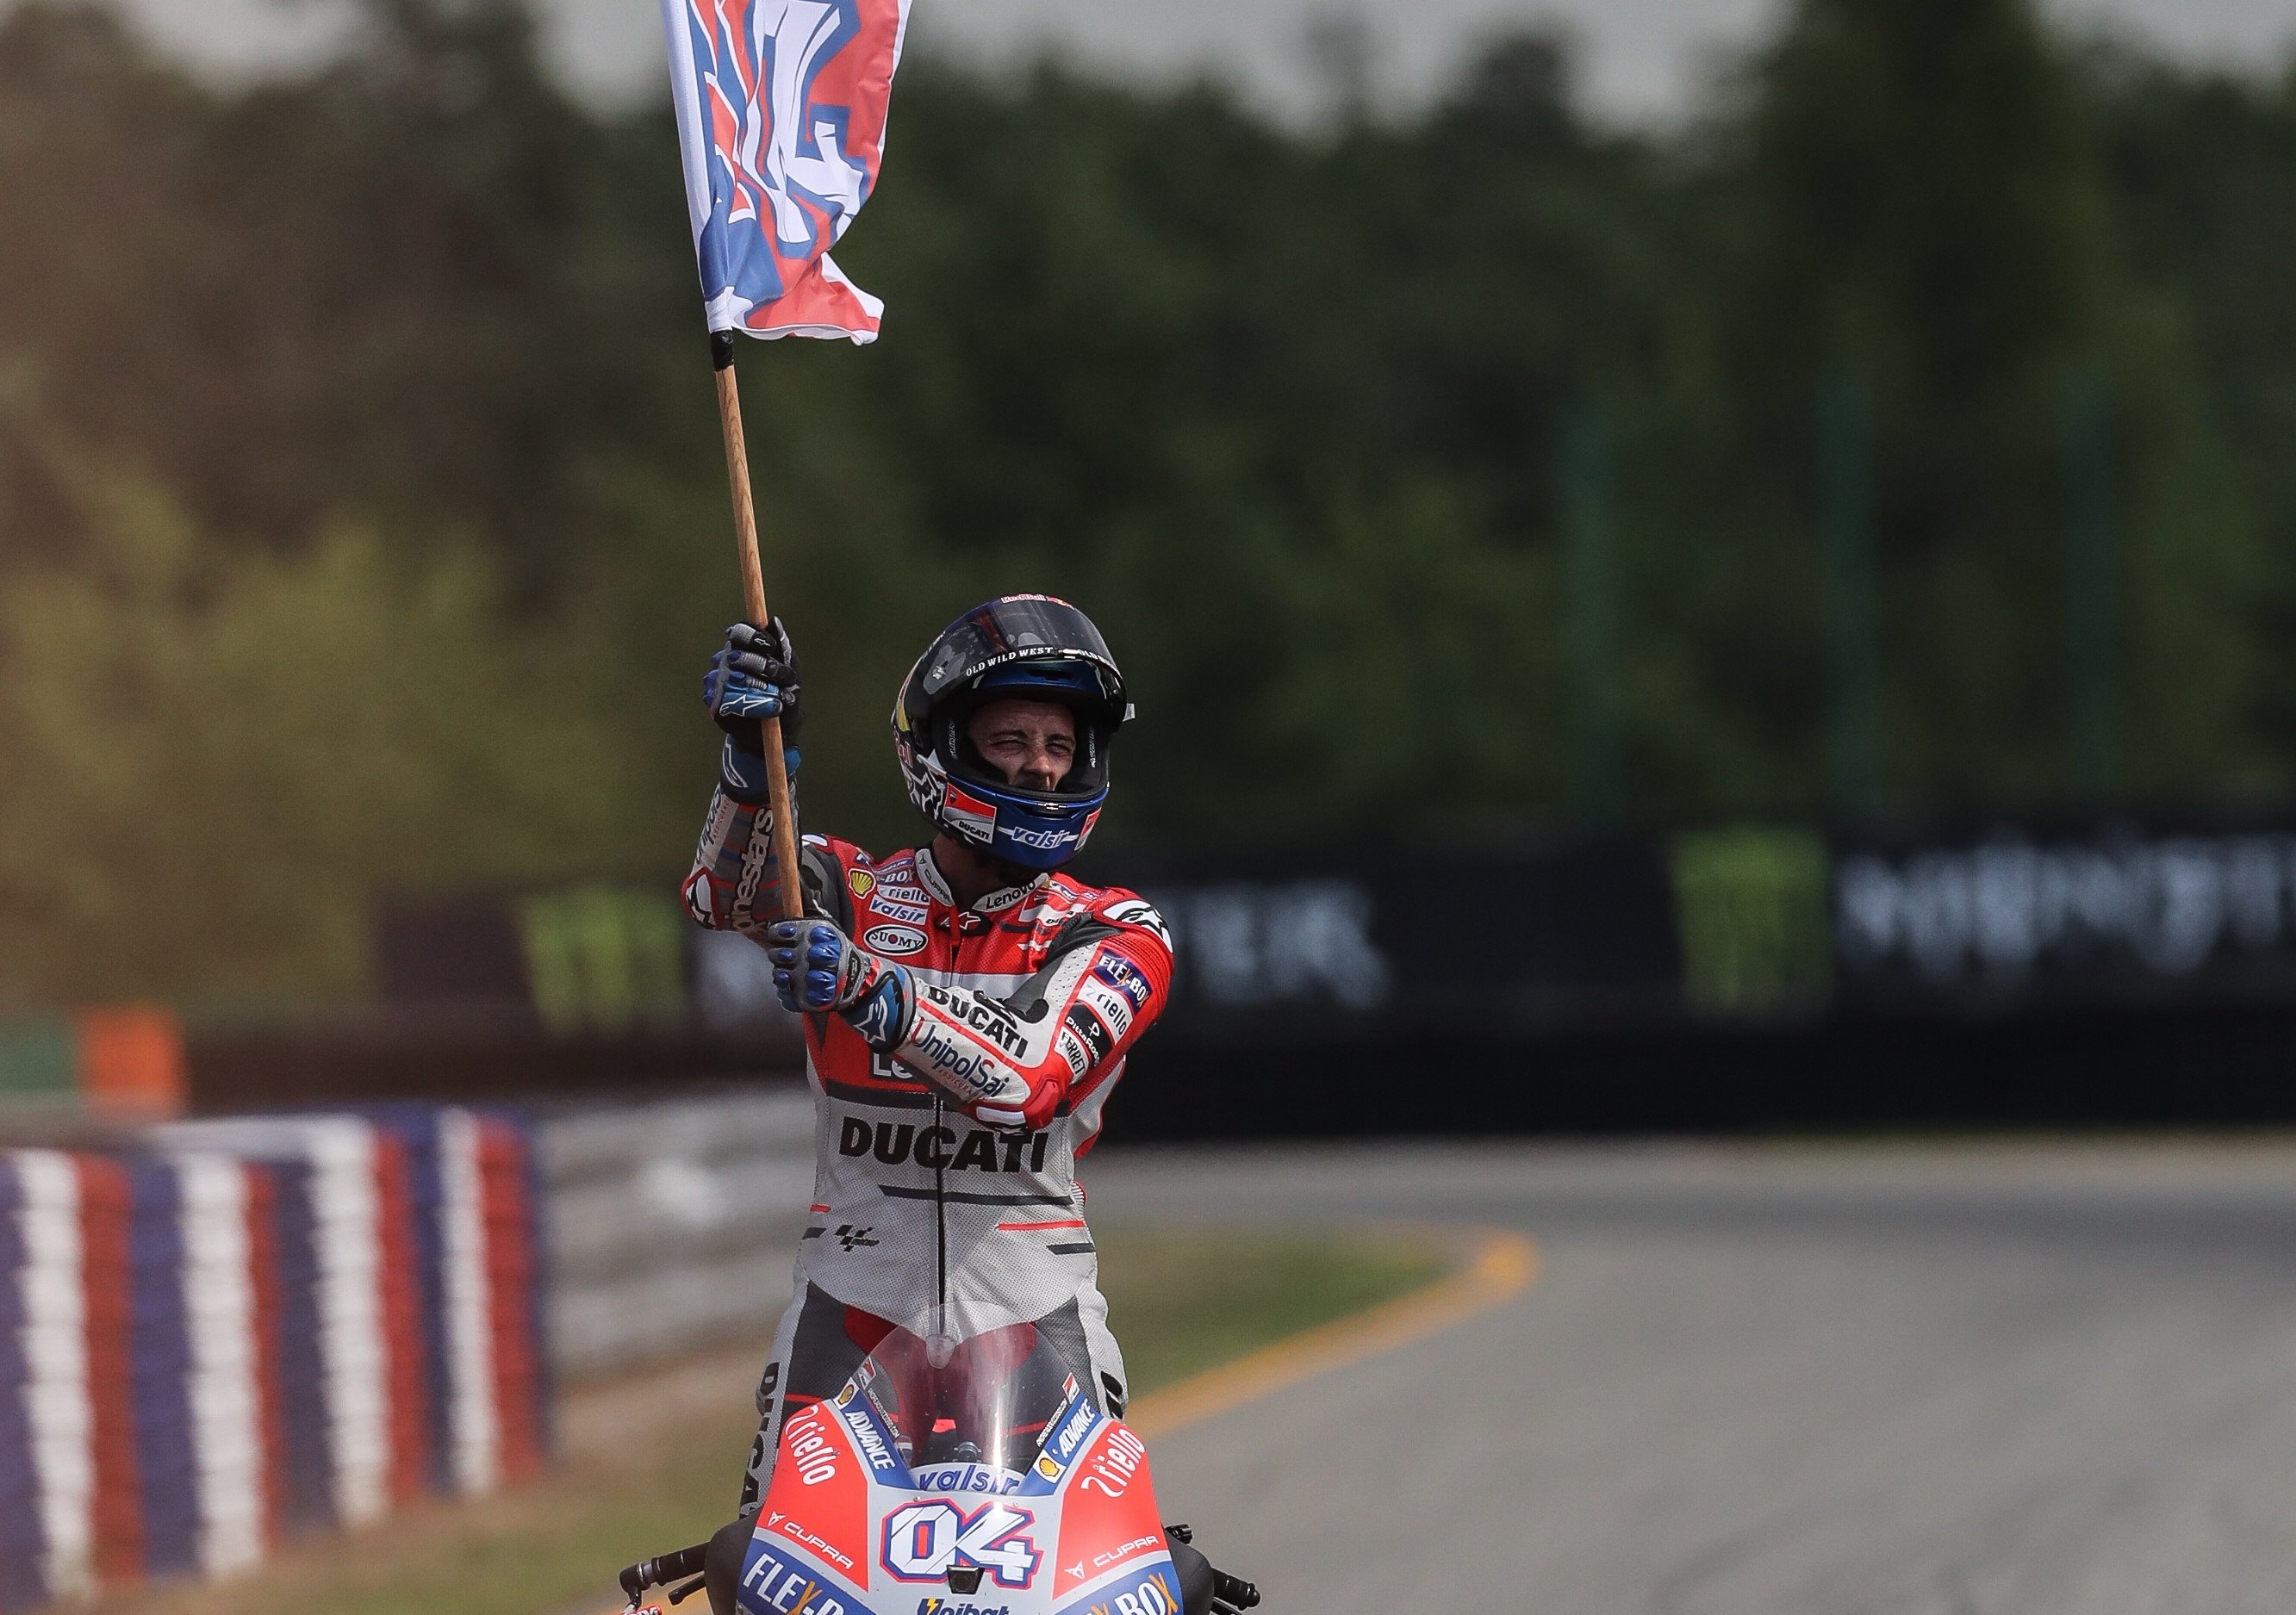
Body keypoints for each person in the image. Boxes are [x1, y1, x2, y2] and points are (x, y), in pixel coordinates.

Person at [681, 594, 1176, 1515]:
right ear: (941, 746)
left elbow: (1027, 1082)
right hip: (849, 1311)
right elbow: (721, 897)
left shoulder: (1114, 929)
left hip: (1038, 1318)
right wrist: (752, 767)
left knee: (1124, 1574)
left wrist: (870, 991)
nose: (1037, 761)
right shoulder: (842, 889)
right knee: (758, 1568)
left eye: (1059, 745)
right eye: (1009, 737)